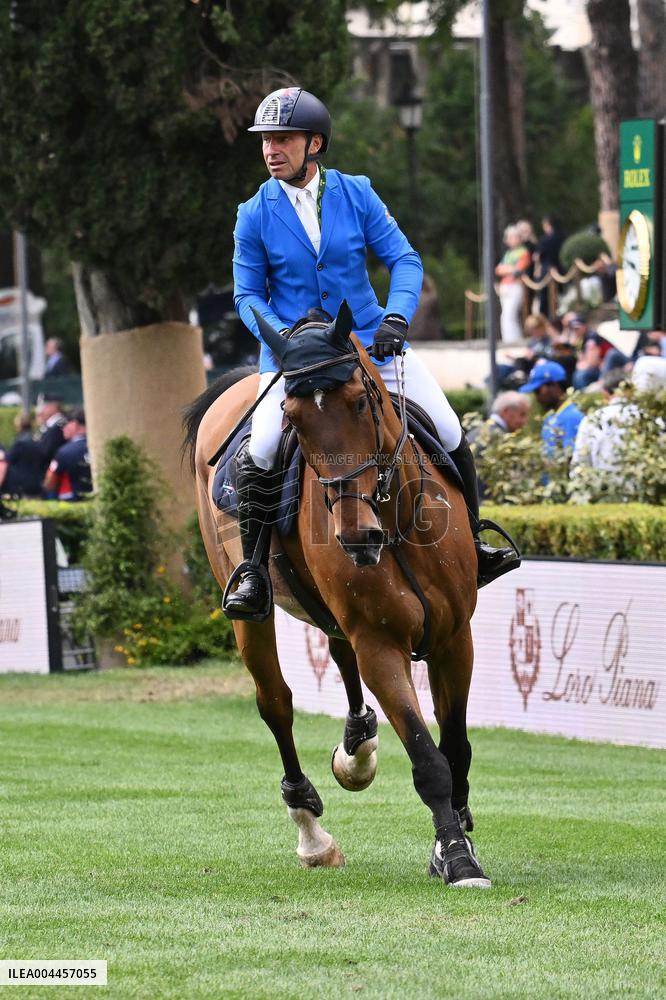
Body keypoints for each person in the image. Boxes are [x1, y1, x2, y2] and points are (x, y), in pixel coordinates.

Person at [228, 87, 520, 615]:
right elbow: (247, 295)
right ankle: (253, 572)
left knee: (449, 428)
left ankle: (475, 541)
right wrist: (283, 338)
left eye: (283, 139)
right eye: (266, 140)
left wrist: (396, 316)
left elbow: (404, 259)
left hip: (368, 343)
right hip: (295, 357)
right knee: (263, 449)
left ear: (315, 143)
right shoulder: (253, 213)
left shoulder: (356, 192)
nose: (271, 150)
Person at [468, 391, 530, 500]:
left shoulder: (478, 431)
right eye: (522, 414)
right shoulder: (499, 438)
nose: (524, 421)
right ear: (506, 411)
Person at [519, 359, 583, 454]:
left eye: (538, 391)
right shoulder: (550, 417)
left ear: (554, 386)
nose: (537, 397)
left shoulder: (572, 417)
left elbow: (570, 457)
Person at [43, 409, 91, 501]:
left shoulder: (65, 451)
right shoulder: (98, 446)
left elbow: (50, 483)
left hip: (72, 502)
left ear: (74, 424)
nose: (63, 429)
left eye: (65, 424)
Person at [495, 225, 530, 344]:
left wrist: (506, 269)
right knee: (506, 316)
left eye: (514, 237)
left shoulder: (523, 252)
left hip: (516, 286)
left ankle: (513, 340)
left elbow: (518, 270)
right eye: (510, 237)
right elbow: (498, 270)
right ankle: (509, 339)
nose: (511, 239)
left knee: (509, 315)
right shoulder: (509, 253)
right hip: (506, 286)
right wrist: (510, 269)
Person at [0, 413, 43, 497]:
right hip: (37, 481)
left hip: (22, 483)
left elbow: (8, 459)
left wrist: (3, 455)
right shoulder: (36, 439)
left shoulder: (20, 443)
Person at [535, 215, 564, 316]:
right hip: (560, 269)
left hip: (546, 270)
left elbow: (538, 256)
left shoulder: (545, 240)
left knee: (545, 298)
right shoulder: (562, 236)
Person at [36, 393, 67, 469]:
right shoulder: (49, 425)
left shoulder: (59, 425)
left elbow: (48, 452)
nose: (41, 411)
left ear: (54, 406)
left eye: (45, 406)